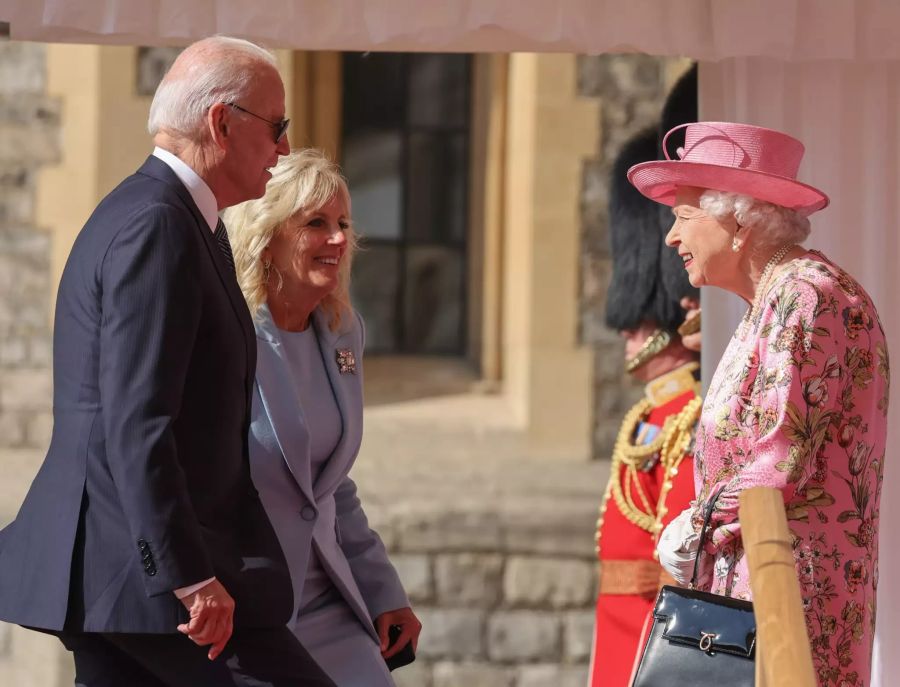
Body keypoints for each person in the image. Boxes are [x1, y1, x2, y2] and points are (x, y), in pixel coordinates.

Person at [0, 36, 335, 686]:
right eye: (278, 127)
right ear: (221, 123)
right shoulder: (157, 225)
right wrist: (187, 572)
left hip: (126, 572)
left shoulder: (179, 218)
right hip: (146, 580)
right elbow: (137, 420)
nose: (286, 149)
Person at [631, 121, 889, 685]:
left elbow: (780, 459)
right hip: (761, 591)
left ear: (738, 220)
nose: (672, 238)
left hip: (786, 598)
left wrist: (694, 526)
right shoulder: (777, 295)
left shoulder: (805, 294)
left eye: (683, 217)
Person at [223, 148, 421, 686]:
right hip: (248, 607)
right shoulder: (227, 337)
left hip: (328, 603)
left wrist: (383, 591)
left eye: (343, 224)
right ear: (266, 237)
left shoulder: (341, 332)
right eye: (316, 223)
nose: (339, 239)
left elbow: (328, 485)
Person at [588, 125, 702, 687]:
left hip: (653, 632)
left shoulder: (689, 414)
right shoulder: (649, 416)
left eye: (643, 320)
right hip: (617, 629)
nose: (630, 332)